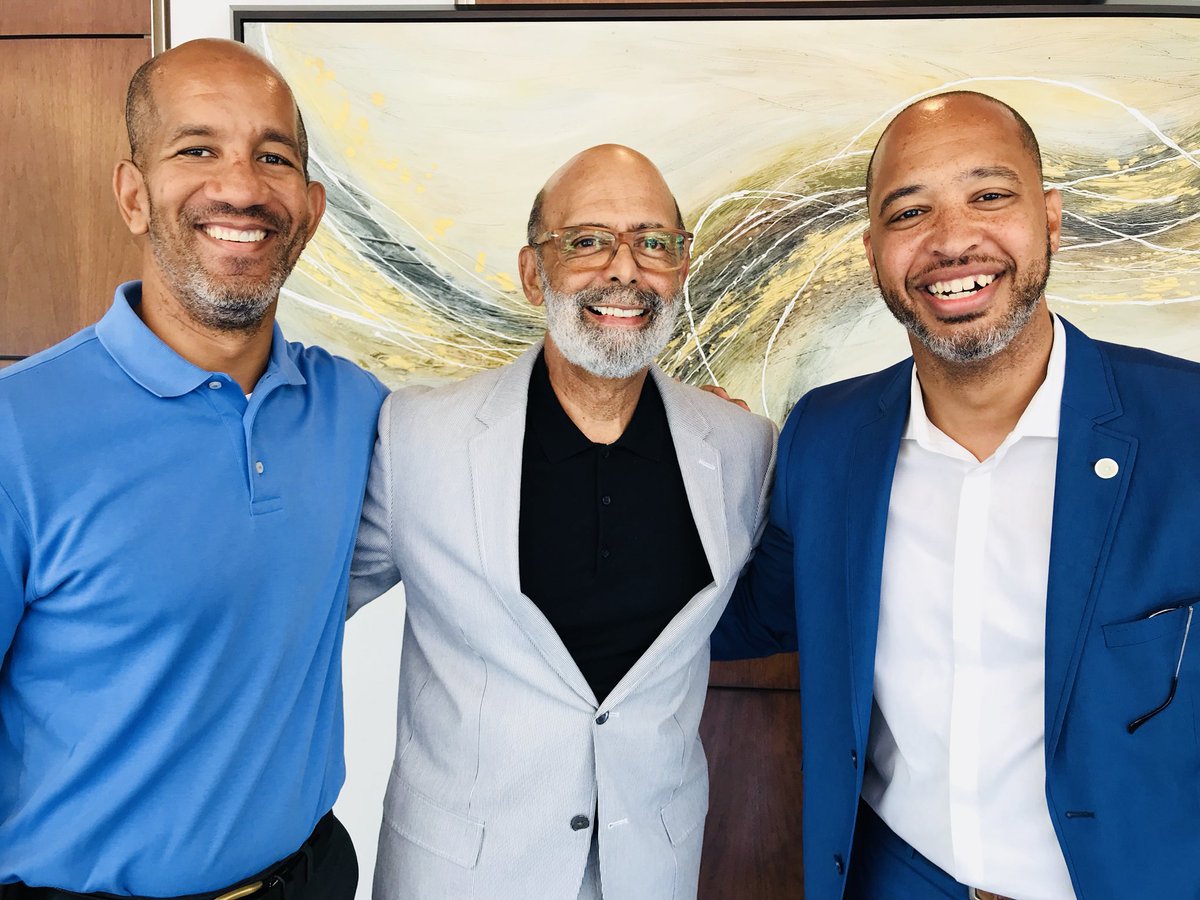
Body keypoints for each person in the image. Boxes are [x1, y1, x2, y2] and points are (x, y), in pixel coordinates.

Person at [713, 91, 1200, 900]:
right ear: (873, 251)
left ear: (1049, 216)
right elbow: (736, 619)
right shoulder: (825, 437)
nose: (951, 239)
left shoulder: (1186, 425)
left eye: (990, 195)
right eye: (910, 212)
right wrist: (672, 468)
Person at [0, 39, 385, 899]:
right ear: (133, 195)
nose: (241, 186)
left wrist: (658, 413)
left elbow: (496, 450)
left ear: (311, 208)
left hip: (307, 880)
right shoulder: (14, 431)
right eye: (197, 148)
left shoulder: (356, 410)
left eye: (272, 156)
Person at [350, 144, 776, 900]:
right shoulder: (418, 437)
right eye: (586, 241)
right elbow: (299, 603)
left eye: (653, 242)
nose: (624, 269)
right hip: (457, 877)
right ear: (530, 271)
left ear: (680, 267)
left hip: (652, 871)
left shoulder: (743, 448)